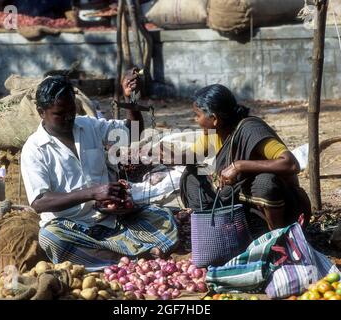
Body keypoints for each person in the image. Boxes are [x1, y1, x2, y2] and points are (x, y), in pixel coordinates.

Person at [20, 72, 178, 270]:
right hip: (71, 226)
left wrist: (130, 99)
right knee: (51, 239)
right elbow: (39, 202)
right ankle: (133, 256)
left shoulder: (88, 125)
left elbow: (133, 133)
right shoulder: (34, 149)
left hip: (110, 218)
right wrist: (92, 193)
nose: (69, 118)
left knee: (162, 217)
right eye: (60, 114)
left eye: (71, 111)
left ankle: (117, 258)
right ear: (41, 112)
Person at [177, 84, 311, 234]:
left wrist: (239, 166)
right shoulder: (215, 132)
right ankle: (213, 230)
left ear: (214, 118)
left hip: (285, 205)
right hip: (240, 199)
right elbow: (193, 156)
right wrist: (167, 156)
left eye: (198, 115)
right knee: (192, 175)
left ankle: (279, 238)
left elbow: (291, 164)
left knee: (264, 183)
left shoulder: (250, 129)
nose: (196, 120)